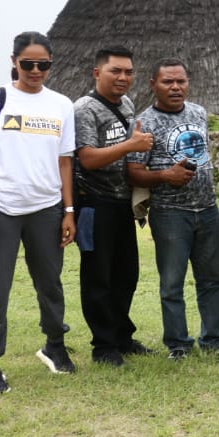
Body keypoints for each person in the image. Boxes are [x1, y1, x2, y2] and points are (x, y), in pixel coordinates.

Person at [127, 59, 219, 360]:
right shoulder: (143, 123)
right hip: (170, 213)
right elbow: (134, 172)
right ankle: (178, 345)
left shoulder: (198, 112)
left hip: (208, 209)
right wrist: (166, 175)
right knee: (172, 283)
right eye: (168, 82)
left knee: (215, 278)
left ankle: (214, 340)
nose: (175, 87)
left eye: (181, 81)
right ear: (153, 84)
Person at [0, 31, 78, 388]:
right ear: (14, 61)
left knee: (50, 283)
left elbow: (65, 161)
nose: (35, 71)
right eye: (27, 63)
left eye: (42, 65)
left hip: (46, 208)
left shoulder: (61, 104)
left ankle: (55, 346)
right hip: (3, 207)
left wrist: (68, 210)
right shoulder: (2, 99)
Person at [73, 46, 155, 366]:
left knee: (126, 273)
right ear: (97, 73)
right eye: (115, 71)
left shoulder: (128, 104)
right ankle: (103, 346)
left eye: (128, 72)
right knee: (98, 276)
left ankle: (122, 336)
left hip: (121, 202)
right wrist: (130, 145)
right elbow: (87, 158)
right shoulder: (85, 109)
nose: (123, 77)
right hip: (94, 202)